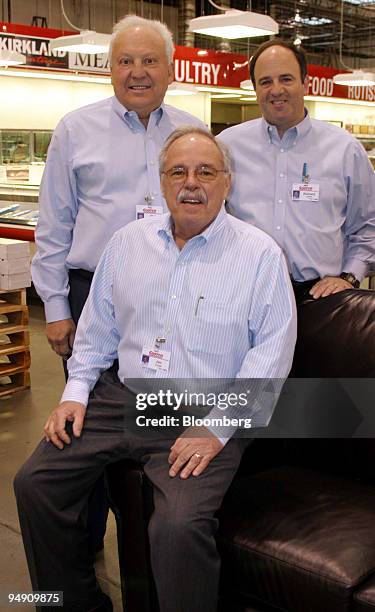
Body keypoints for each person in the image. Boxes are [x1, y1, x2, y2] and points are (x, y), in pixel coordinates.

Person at [15, 127, 297, 612]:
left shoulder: (260, 255)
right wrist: (74, 393)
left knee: (177, 526)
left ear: (226, 183)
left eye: (206, 171)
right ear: (162, 183)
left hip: (205, 408)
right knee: (36, 483)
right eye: (178, 172)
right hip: (123, 398)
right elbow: (99, 330)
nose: (192, 183)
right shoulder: (128, 243)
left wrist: (216, 428)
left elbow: (270, 356)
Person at [31, 14, 205, 551]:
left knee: (155, 422)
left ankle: (144, 548)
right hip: (89, 300)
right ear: (109, 70)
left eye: (149, 60)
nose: (136, 72)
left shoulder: (189, 132)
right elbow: (54, 225)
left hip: (167, 298)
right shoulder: (75, 129)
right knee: (81, 433)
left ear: (171, 69)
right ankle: (79, 572)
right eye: (125, 61)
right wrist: (57, 307)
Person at [218, 40, 375, 303]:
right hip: (244, 294)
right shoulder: (227, 146)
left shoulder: (345, 149)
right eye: (265, 81)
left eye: (286, 79)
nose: (276, 90)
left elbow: (368, 224)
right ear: (254, 88)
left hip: (320, 298)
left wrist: (349, 277)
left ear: (305, 82)